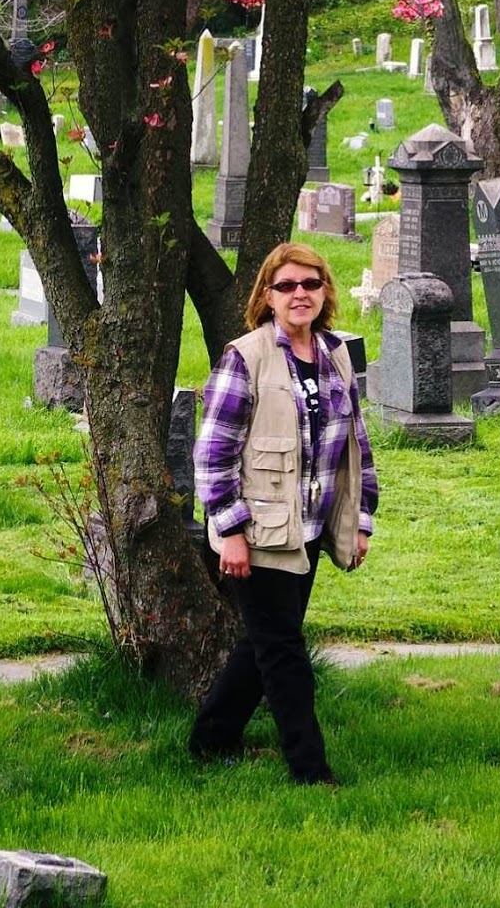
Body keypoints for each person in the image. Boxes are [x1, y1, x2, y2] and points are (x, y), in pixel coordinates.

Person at [190, 241, 378, 785]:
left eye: (311, 284)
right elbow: (213, 452)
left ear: (325, 292)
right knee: (286, 653)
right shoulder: (245, 357)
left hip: (311, 528)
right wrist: (230, 531)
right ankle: (310, 769)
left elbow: (356, 447)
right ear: (267, 296)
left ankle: (210, 738)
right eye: (287, 286)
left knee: (265, 642)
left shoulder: (336, 355)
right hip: (259, 530)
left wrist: (360, 520)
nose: (300, 294)